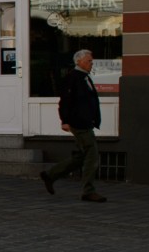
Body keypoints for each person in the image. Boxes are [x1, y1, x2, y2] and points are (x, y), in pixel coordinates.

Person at [40, 48, 106, 202]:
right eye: (89, 61)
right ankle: (88, 191)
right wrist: (65, 120)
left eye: (91, 60)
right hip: (79, 123)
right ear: (79, 61)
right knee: (92, 155)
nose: (91, 63)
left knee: (81, 156)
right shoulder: (73, 78)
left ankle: (50, 175)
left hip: (86, 122)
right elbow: (65, 101)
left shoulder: (84, 77)